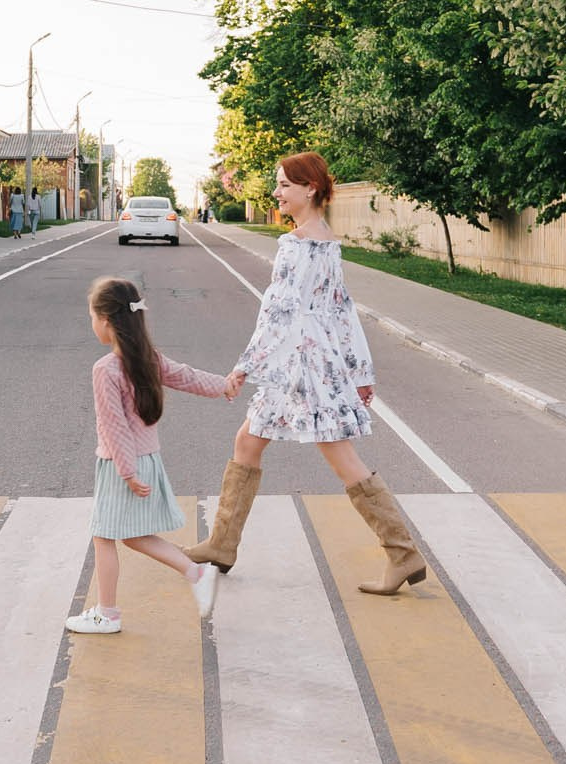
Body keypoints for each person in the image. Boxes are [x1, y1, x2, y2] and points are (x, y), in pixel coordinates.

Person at [186, 150, 426, 595]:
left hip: (300, 367)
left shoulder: (297, 246)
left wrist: (244, 367)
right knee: (251, 442)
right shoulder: (326, 240)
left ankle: (403, 553)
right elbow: (342, 311)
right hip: (315, 364)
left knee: (341, 458)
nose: (275, 193)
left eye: (283, 185)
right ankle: (221, 545)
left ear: (309, 188)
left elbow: (278, 314)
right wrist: (359, 371)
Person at [66, 276, 241, 634]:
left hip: (122, 464)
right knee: (132, 536)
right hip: (145, 461)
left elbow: (114, 427)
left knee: (104, 537)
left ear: (107, 321)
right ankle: (196, 573)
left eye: (92, 317)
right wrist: (223, 385)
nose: (92, 324)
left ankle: (107, 614)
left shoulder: (106, 370)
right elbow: (188, 377)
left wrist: (127, 473)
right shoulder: (148, 359)